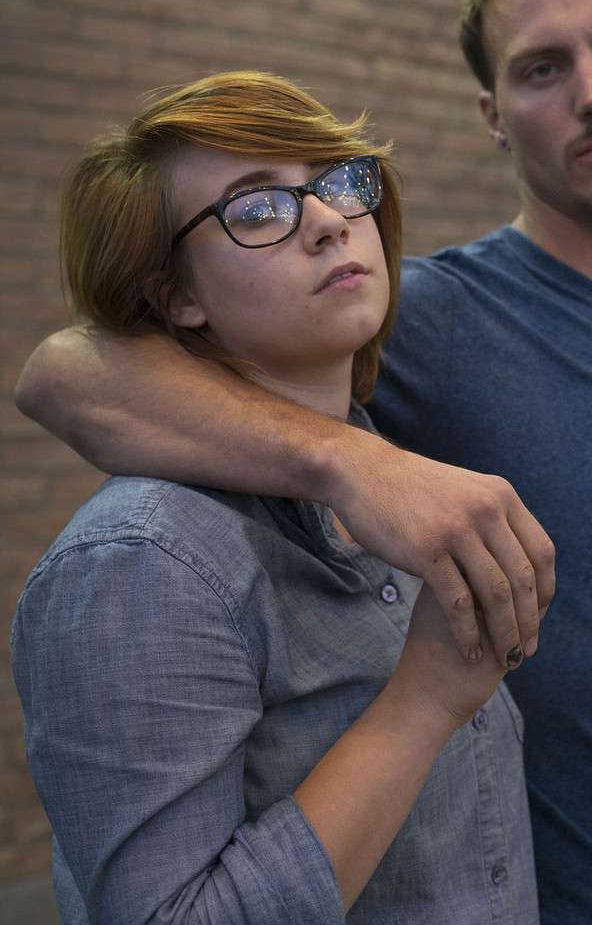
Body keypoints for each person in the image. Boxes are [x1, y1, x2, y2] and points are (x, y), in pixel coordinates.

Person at [17, 0, 592, 923]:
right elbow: (67, 371)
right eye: (542, 67)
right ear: (492, 113)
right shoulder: (417, 319)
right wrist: (353, 461)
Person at [11, 71, 539, 925]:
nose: (329, 220)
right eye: (256, 209)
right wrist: (423, 701)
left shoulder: (399, 497)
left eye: (337, 181)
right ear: (175, 295)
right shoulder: (140, 563)